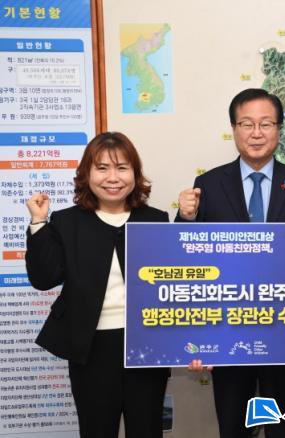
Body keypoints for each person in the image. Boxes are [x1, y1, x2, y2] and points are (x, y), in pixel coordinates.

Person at [177, 88, 285, 438]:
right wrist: (185, 218)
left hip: (284, 325)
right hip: (228, 324)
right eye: (247, 124)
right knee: (232, 422)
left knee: (281, 424)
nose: (256, 133)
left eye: (266, 124)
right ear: (234, 129)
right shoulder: (208, 184)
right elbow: (187, 254)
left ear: (279, 129)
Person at [25, 132, 170, 438]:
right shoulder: (66, 221)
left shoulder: (156, 219)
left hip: (146, 345)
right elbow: (44, 278)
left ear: (135, 174)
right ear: (86, 174)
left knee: (147, 429)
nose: (112, 178)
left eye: (122, 168)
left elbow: (173, 285)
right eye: (102, 168)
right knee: (96, 430)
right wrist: (39, 222)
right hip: (90, 348)